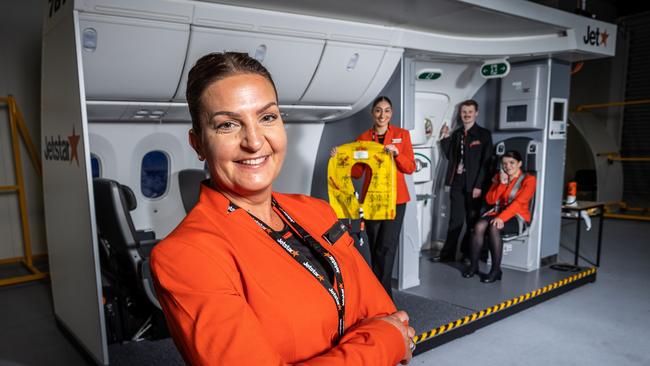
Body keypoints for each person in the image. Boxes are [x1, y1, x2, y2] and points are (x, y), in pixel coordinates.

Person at [150, 52, 415, 365]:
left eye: (267, 117)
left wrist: (386, 333)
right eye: (228, 125)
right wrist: (383, 341)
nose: (254, 141)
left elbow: (387, 313)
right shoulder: (186, 256)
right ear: (198, 144)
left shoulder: (317, 212)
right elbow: (393, 332)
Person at [331, 96, 415, 298]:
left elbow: (410, 167)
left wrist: (397, 154)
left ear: (391, 113)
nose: (382, 115)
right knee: (376, 246)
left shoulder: (402, 136)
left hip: (396, 200)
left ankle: (383, 295)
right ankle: (379, 292)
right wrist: (339, 159)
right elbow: (358, 172)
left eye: (386, 111)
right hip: (372, 200)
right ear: (372, 113)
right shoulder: (363, 137)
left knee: (388, 246)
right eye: (378, 110)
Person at [431, 100, 492, 264]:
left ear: (476, 113)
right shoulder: (457, 134)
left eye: (470, 112)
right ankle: (447, 254)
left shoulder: (484, 135)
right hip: (457, 183)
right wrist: (445, 137)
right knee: (455, 220)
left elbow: (486, 163)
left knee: (472, 221)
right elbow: (450, 156)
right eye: (464, 112)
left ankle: (468, 255)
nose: (466, 114)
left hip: (474, 185)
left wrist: (479, 185)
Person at [462, 151, 536, 283]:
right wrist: (501, 183)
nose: (508, 166)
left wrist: (501, 218)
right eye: (505, 163)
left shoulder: (529, 180)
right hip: (496, 213)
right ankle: (473, 266)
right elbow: (490, 200)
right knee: (478, 226)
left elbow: (519, 203)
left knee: (494, 228)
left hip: (517, 216)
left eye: (512, 163)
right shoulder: (499, 177)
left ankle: (496, 271)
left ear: (520, 164)